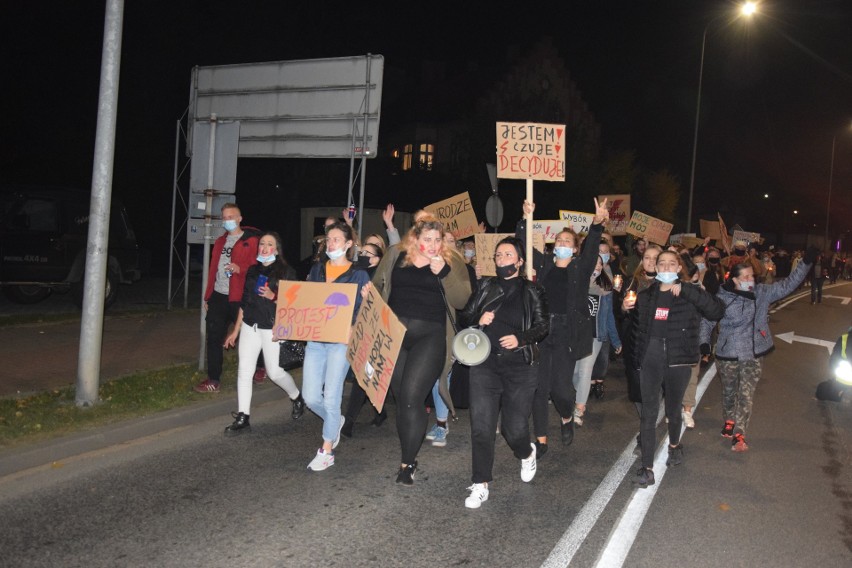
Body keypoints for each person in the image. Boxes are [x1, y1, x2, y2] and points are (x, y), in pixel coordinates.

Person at [369, 216, 471, 485]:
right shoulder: (395, 255)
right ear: (414, 238)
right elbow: (378, 288)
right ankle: (408, 449)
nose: (434, 245)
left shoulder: (451, 260)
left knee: (414, 397)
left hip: (431, 336)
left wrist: (444, 274)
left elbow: (463, 300)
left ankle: (407, 462)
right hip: (395, 335)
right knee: (402, 398)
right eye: (428, 239)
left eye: (438, 240)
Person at [458, 237, 549, 509]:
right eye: (498, 254)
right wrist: (478, 319)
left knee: (514, 429)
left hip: (519, 366)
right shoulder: (486, 286)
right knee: (482, 427)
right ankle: (480, 483)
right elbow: (463, 318)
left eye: (508, 254)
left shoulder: (532, 290)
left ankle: (526, 451)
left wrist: (521, 338)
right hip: (485, 364)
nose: (502, 258)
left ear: (519, 261)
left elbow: (544, 326)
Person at [517, 198, 610, 456]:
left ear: (575, 249)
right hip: (543, 331)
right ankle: (541, 438)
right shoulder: (545, 264)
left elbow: (592, 249)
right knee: (540, 387)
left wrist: (597, 223)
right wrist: (525, 220)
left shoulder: (581, 267)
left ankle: (567, 416)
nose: (562, 244)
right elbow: (523, 247)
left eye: (568, 242)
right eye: (559, 241)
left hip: (567, 332)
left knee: (560, 388)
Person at [623, 250, 725, 487]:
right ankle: (646, 468)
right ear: (656, 268)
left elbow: (717, 310)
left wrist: (688, 289)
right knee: (649, 413)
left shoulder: (688, 293)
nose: (667, 268)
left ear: (679, 268)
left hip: (678, 360)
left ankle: (674, 445)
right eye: (662, 264)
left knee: (672, 409)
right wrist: (626, 310)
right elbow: (638, 331)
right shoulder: (647, 295)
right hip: (651, 358)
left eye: (672, 264)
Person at [701, 247, 816, 452]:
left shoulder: (762, 293)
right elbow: (708, 321)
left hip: (754, 353)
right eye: (745, 276)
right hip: (728, 353)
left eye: (751, 276)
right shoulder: (722, 296)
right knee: (729, 391)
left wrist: (806, 262)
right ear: (734, 279)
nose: (750, 279)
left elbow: (789, 284)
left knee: (746, 393)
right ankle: (729, 419)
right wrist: (704, 342)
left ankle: (739, 433)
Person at [303, 222, 371, 471]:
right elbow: (306, 303)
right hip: (315, 341)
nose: (330, 244)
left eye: (335, 239)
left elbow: (367, 310)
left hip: (340, 342)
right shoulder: (317, 270)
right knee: (311, 397)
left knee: (331, 397)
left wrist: (365, 302)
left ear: (348, 244)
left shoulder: (359, 274)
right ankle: (336, 421)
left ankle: (327, 449)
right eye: (328, 240)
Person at [222, 232, 305, 435]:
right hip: (251, 326)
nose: (264, 247)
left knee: (275, 372)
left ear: (276, 249)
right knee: (244, 371)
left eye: (269, 244)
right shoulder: (252, 270)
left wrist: (273, 296)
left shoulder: (286, 272)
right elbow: (245, 302)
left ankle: (296, 397)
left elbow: (295, 304)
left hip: (273, 329)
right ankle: (243, 417)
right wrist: (236, 330)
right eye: (261, 244)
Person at [195, 203, 261, 393]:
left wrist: (241, 269)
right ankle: (214, 379)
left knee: (251, 335)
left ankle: (261, 367)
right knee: (214, 337)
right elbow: (213, 269)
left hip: (241, 296)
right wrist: (208, 297)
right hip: (219, 295)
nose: (227, 220)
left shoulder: (252, 241)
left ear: (240, 219)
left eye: (231, 217)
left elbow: (259, 268)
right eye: (224, 217)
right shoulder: (219, 242)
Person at [340, 241, 387, 438]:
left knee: (362, 374)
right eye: (361, 251)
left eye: (367, 253)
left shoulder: (382, 276)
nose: (362, 255)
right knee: (364, 374)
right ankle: (381, 411)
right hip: (353, 328)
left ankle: (349, 420)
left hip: (373, 331)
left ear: (377, 258)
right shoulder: (354, 273)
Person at [579, 254, 622, 411]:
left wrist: (616, 340)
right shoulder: (577, 285)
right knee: (576, 372)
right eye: (594, 262)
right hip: (577, 335)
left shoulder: (606, 288)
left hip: (596, 335)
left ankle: (579, 407)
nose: (597, 266)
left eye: (600, 263)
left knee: (585, 370)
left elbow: (609, 316)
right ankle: (578, 396)